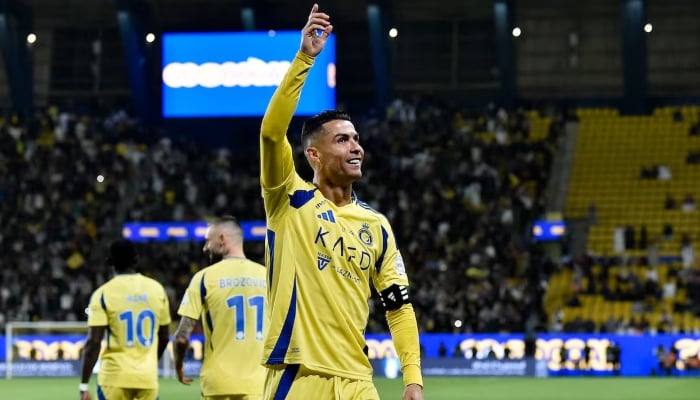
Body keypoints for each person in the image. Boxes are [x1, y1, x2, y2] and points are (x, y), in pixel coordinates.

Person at [258, 4, 423, 400]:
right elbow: (270, 133)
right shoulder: (288, 197)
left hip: (358, 382)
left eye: (357, 139)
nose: (357, 147)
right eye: (342, 140)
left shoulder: (377, 226)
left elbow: (398, 306)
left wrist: (413, 379)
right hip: (299, 375)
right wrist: (305, 59)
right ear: (313, 155)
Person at [173, 216, 267, 399]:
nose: (205, 247)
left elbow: (181, 338)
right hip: (260, 385)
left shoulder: (204, 278)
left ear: (222, 239)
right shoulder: (268, 277)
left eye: (208, 240)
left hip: (219, 385)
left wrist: (178, 367)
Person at [79, 239, 171, 400]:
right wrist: (149, 362)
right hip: (147, 378)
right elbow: (164, 337)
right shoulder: (157, 289)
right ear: (136, 260)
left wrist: (84, 385)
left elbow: (93, 343)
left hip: (114, 378)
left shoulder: (102, 294)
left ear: (110, 262)